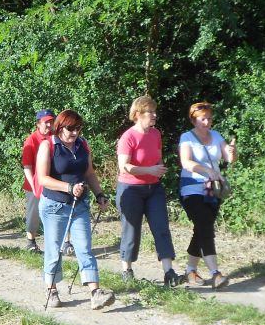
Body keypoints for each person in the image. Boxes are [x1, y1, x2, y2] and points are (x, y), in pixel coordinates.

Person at [36, 109, 114, 310]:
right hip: (54, 205)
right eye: (70, 128)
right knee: (54, 250)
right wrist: (69, 188)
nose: (75, 132)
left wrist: (100, 195)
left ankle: (95, 292)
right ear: (60, 127)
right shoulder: (48, 146)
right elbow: (43, 179)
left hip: (79, 205)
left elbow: (89, 173)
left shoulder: (82, 145)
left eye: (78, 128)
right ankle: (52, 290)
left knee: (84, 247)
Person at [116, 95, 183, 286]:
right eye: (150, 112)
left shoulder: (156, 134)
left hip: (153, 188)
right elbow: (124, 166)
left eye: (155, 111)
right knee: (131, 231)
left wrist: (160, 168)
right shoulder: (128, 137)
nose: (154, 115)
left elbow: (157, 157)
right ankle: (127, 270)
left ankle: (169, 273)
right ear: (138, 114)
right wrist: (149, 170)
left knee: (161, 228)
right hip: (130, 189)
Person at [178, 101, 238, 289]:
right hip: (191, 189)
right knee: (205, 225)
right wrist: (206, 170)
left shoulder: (216, 135)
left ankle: (190, 270)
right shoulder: (186, 137)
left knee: (202, 228)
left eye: (209, 118)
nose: (207, 122)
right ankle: (215, 273)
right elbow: (186, 163)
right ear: (194, 120)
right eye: (202, 119)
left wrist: (232, 152)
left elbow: (229, 159)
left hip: (212, 189)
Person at [21, 108, 55, 253]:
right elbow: (27, 166)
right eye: (46, 122)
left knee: (56, 212)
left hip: (53, 181)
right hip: (34, 183)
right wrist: (34, 186)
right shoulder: (32, 140)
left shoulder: (56, 137)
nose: (49, 125)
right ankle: (31, 242)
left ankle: (62, 242)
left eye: (51, 122)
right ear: (38, 124)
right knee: (33, 213)